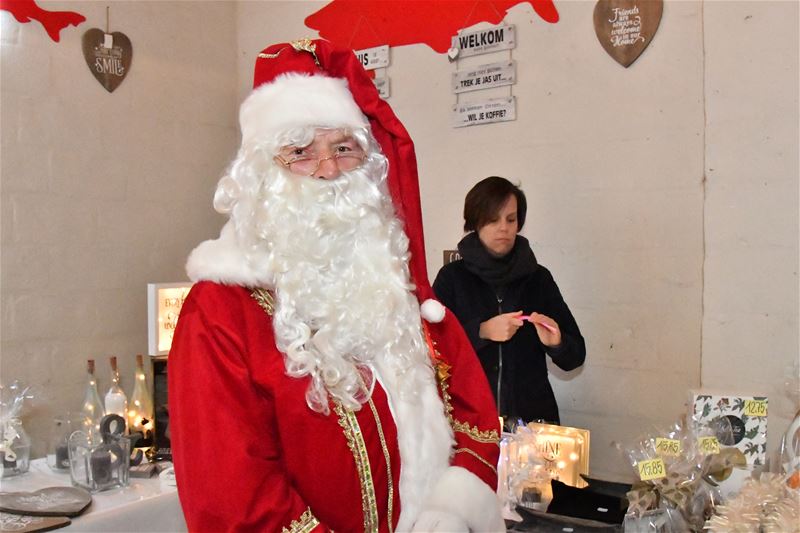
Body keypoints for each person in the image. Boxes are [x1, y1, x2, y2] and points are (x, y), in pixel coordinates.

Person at [167, 39, 504, 533]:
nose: (328, 170)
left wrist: (451, 510)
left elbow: (473, 411)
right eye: (300, 153)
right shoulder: (219, 313)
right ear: (260, 174)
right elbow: (234, 499)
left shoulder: (395, 287)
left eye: (344, 149)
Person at [433, 176, 585, 427]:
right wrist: (481, 331)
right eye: (493, 219)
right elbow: (432, 351)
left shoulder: (538, 278)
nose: (503, 227)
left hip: (532, 422)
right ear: (475, 222)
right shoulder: (452, 278)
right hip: (470, 421)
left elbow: (575, 356)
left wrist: (557, 343)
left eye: (510, 219)